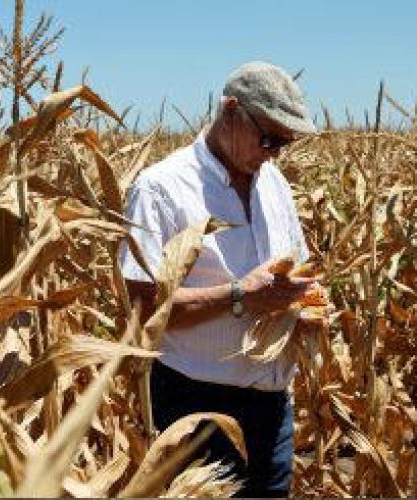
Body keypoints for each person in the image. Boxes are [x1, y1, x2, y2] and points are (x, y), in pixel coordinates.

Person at [120, 61, 318, 498]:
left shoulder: (274, 183)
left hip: (271, 407)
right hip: (195, 408)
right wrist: (241, 296)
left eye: (284, 143)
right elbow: (142, 310)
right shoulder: (160, 189)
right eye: (268, 138)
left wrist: (305, 304)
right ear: (230, 111)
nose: (274, 153)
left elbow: (297, 265)